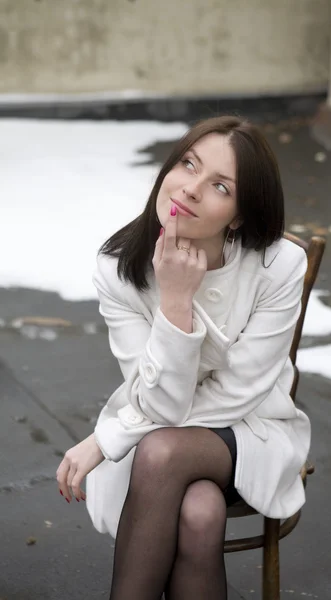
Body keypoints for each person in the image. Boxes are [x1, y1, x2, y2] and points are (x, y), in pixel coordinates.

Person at [56, 115, 311, 600]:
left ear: (238, 215)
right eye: (188, 164)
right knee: (200, 512)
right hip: (160, 427)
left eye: (219, 185)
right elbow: (164, 405)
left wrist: (108, 435)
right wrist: (175, 301)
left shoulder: (277, 265)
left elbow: (239, 392)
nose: (190, 189)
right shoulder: (118, 269)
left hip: (251, 430)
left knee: (162, 450)